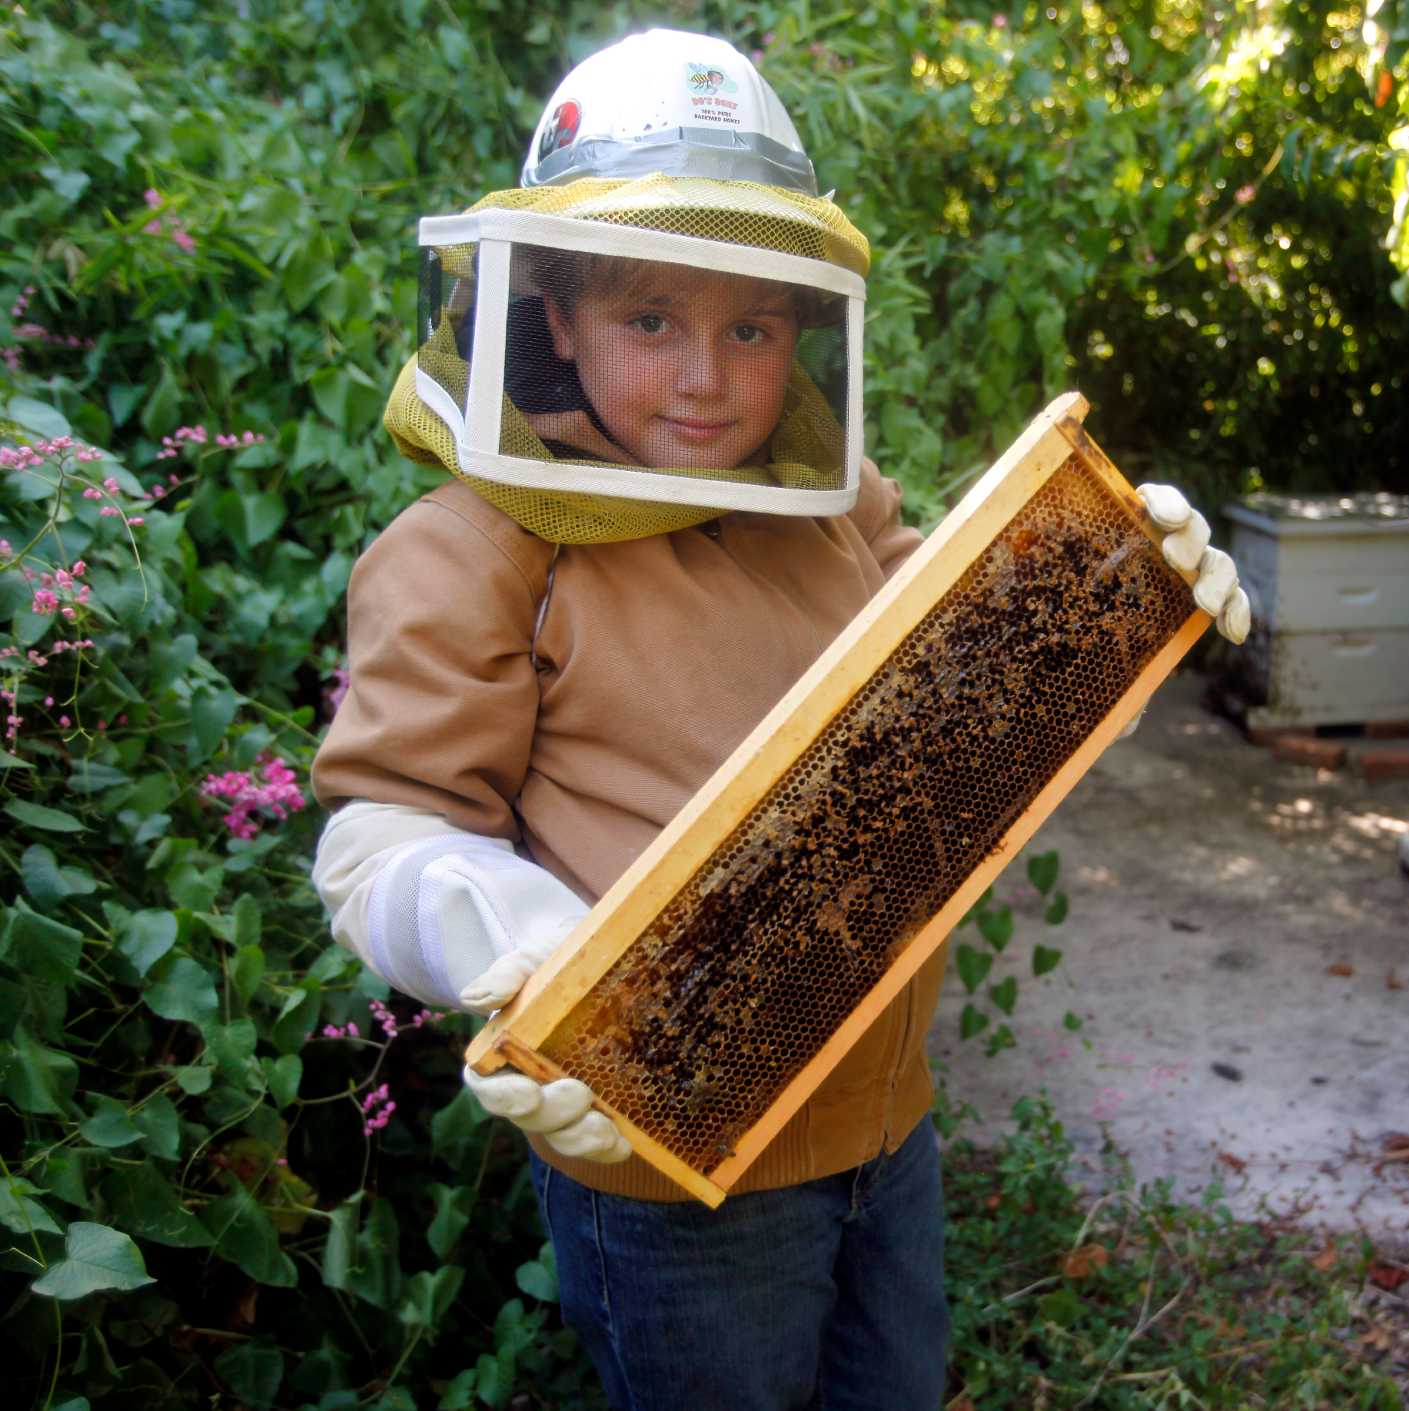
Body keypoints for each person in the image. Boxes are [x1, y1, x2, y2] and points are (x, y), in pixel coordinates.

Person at [309, 29, 1251, 1411]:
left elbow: (958, 683)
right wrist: (507, 941)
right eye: (651, 322)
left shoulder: (832, 501)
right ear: (556, 311)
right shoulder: (473, 548)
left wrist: (1103, 589)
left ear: (803, 327)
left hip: (887, 1117)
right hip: (674, 1179)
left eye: (749, 328)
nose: (706, 378)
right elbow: (380, 832)